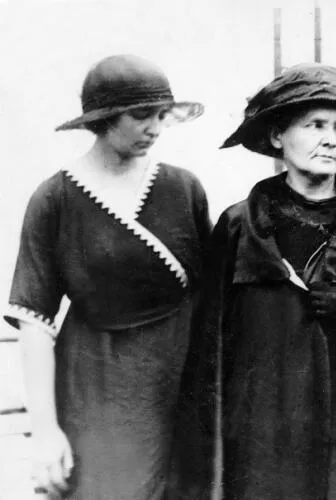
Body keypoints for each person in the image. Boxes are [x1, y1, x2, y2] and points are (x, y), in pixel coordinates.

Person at [185, 62, 336, 500]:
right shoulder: (241, 225)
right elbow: (208, 343)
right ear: (278, 136)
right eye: (315, 125)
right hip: (263, 426)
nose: (330, 139)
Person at [4, 54, 210, 499]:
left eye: (161, 115)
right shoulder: (55, 198)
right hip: (98, 383)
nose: (154, 128)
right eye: (141, 116)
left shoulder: (184, 188)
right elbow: (33, 320)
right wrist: (45, 432)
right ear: (103, 119)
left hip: (181, 377)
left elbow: (209, 295)